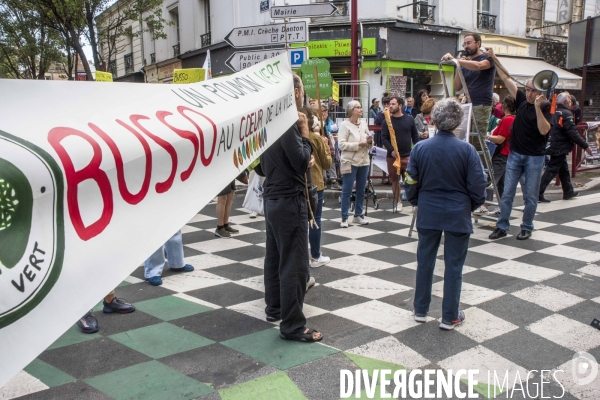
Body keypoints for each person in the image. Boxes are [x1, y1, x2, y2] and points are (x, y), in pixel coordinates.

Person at [405, 98, 486, 331]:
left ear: (434, 120)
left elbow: (410, 180)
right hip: (458, 213)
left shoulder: (420, 148)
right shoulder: (468, 150)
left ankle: (420, 309)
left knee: (425, 262)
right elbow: (479, 185)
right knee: (454, 267)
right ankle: (450, 316)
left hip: (428, 211)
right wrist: (470, 205)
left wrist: (415, 200)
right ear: (458, 122)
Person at [257, 73, 322, 342]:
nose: (304, 94)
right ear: (295, 93)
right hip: (289, 199)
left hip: (272, 198)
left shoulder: (268, 122)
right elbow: (299, 160)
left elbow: (260, 166)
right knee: (294, 265)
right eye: (302, 90)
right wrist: (306, 137)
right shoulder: (288, 122)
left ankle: (275, 308)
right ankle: (293, 325)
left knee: (274, 258)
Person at [485, 48, 553, 241]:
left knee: (530, 196)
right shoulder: (522, 99)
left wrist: (539, 108)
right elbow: (507, 79)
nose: (529, 93)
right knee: (507, 193)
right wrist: (495, 58)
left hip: (534, 156)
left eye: (533, 91)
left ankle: (526, 227)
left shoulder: (546, 107)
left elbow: (544, 130)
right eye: (528, 89)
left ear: (540, 93)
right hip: (515, 154)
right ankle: (502, 226)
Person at [539, 92, 593, 202]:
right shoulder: (566, 113)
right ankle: (537, 192)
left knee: (563, 168)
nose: (571, 102)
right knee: (552, 169)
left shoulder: (553, 111)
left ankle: (568, 190)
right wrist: (585, 146)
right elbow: (572, 133)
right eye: (569, 100)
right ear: (565, 102)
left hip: (552, 142)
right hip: (560, 144)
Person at [300, 106, 333, 269]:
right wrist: (326, 146)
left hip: (298, 182)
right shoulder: (316, 138)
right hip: (315, 182)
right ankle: (315, 255)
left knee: (299, 221)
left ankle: (299, 256)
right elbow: (327, 164)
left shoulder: (294, 137)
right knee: (315, 219)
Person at [338, 100, 373, 228]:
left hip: (364, 161)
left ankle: (358, 215)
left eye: (360, 107)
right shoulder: (344, 125)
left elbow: (369, 141)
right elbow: (341, 144)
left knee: (361, 190)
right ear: (352, 110)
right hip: (350, 161)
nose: (360, 109)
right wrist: (358, 144)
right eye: (358, 107)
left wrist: (370, 141)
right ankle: (344, 217)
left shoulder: (363, 124)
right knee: (347, 190)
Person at [381, 97, 420, 209]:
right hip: (392, 156)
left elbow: (415, 136)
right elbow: (384, 138)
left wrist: (416, 150)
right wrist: (391, 150)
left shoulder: (409, 119)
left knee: (411, 179)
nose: (390, 106)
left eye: (393, 104)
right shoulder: (386, 121)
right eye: (389, 104)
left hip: (407, 155)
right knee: (394, 180)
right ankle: (398, 201)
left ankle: (413, 202)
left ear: (400, 106)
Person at [485, 95, 516, 216]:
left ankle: (484, 205)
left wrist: (486, 137)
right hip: (507, 154)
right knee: (502, 183)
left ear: (506, 105)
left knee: (491, 179)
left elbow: (500, 139)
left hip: (502, 153)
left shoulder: (507, 119)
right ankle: (503, 207)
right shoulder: (513, 118)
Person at [321, 104, 341, 190]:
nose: (323, 113)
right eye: (321, 111)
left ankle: (333, 180)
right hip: (321, 145)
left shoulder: (330, 121)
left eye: (325, 111)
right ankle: (323, 180)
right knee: (322, 163)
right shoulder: (317, 121)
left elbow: (334, 132)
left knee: (331, 161)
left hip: (330, 144)